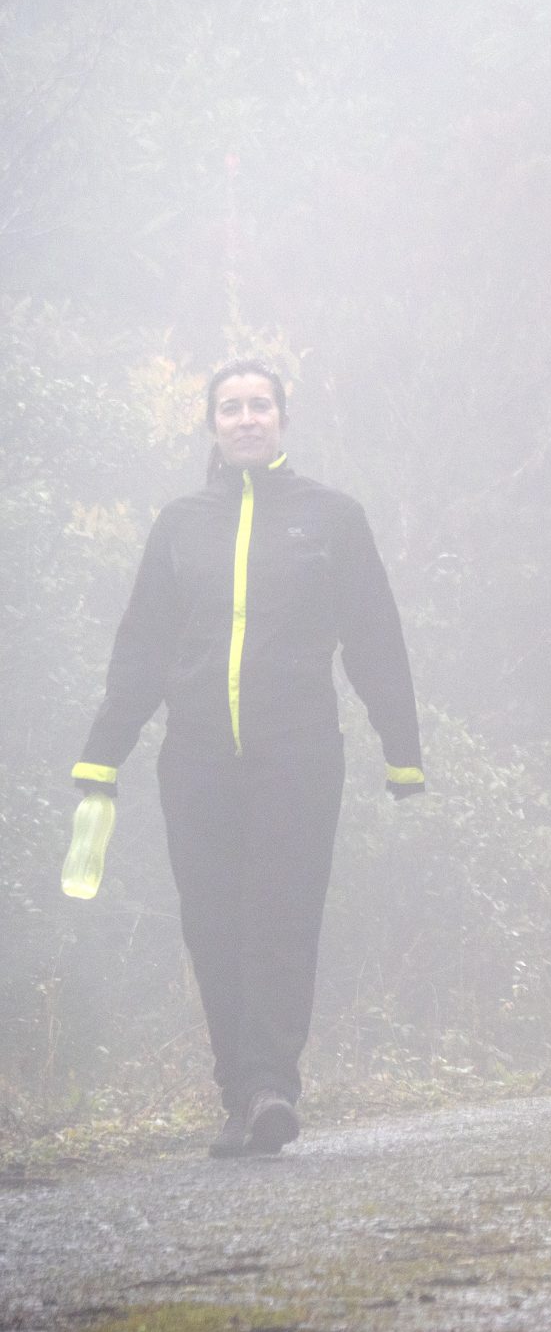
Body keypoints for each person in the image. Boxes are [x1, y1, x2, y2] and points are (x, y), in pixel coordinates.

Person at [71, 357, 425, 1158]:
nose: (245, 418)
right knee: (211, 926)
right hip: (196, 760)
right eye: (230, 407)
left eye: (259, 404)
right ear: (212, 425)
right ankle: (239, 1091)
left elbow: (374, 637)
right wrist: (103, 753)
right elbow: (143, 647)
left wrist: (401, 750)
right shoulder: (180, 523)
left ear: (282, 420)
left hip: (298, 756)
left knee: (282, 917)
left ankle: (271, 1085)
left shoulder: (331, 518)